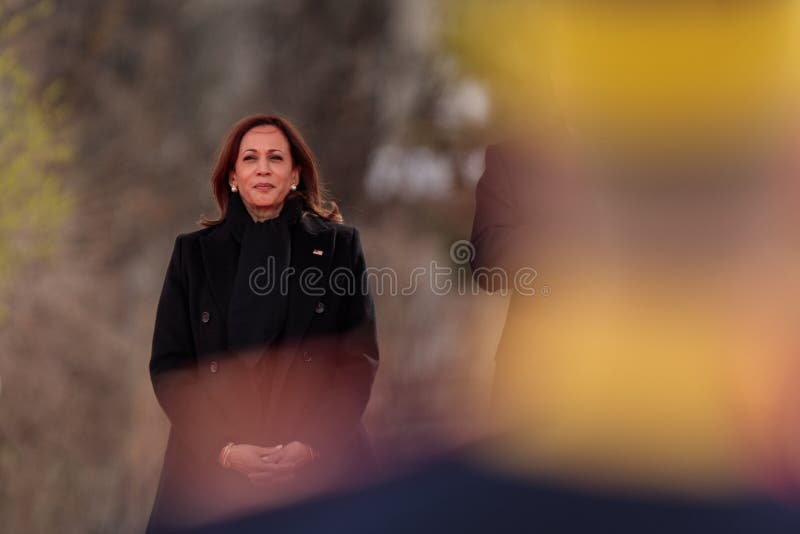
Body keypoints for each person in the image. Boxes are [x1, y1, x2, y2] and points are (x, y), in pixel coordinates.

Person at [146, 114, 379, 532]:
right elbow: (171, 365)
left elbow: (357, 359)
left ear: (295, 175)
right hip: (210, 470)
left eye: (276, 157)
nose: (263, 167)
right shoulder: (191, 254)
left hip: (319, 470)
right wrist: (225, 449)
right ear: (232, 176)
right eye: (250, 158)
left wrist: (310, 445)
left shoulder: (340, 247)